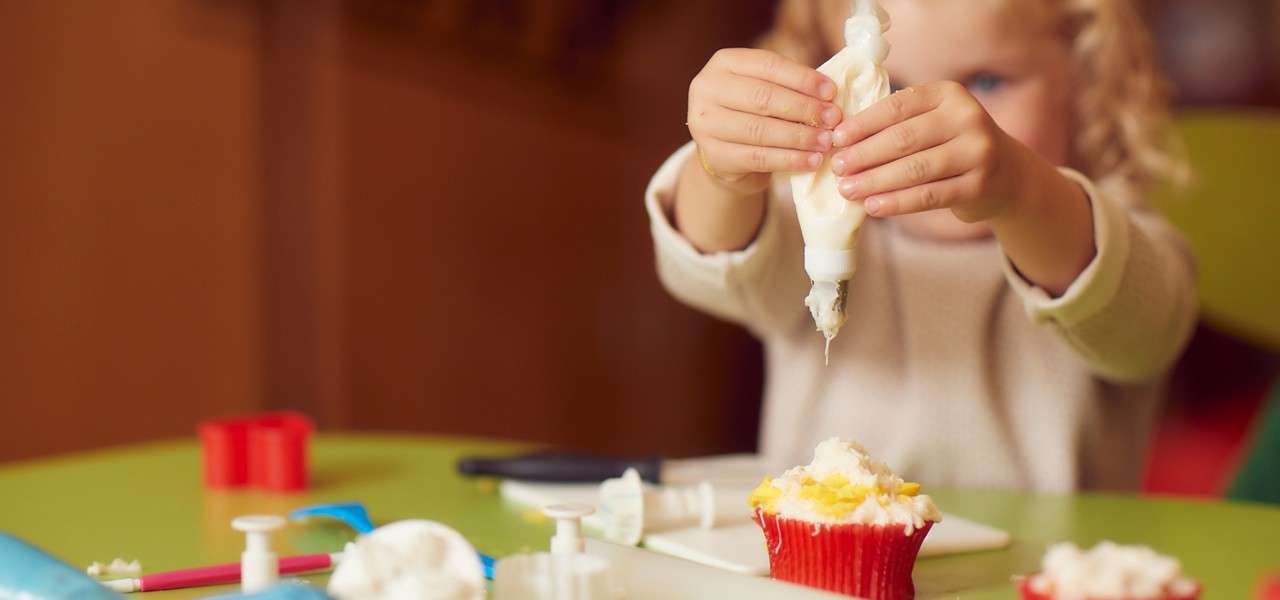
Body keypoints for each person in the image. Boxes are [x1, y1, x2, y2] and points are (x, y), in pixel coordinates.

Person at [644, 0, 1197, 491]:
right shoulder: (813, 228)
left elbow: (1145, 332)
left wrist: (1023, 191)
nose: (929, 123)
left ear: (1086, 83)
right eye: (890, 87)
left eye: (985, 82)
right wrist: (723, 173)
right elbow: (710, 267)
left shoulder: (1101, 239)